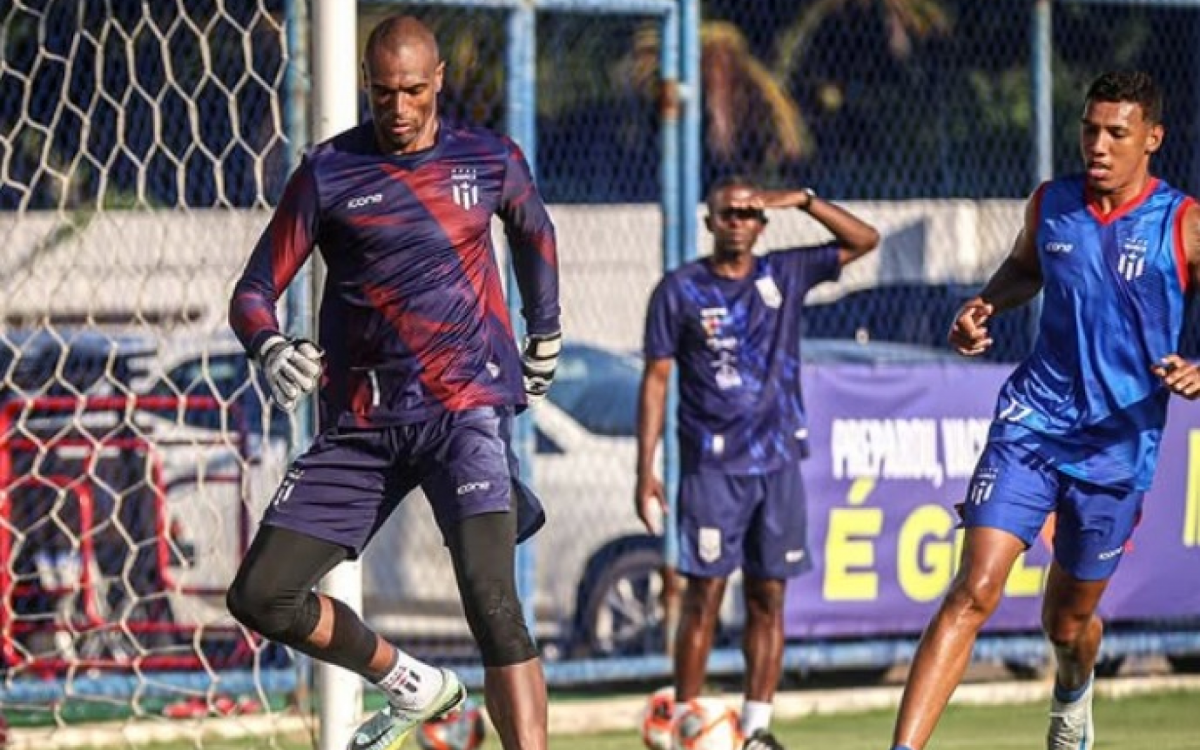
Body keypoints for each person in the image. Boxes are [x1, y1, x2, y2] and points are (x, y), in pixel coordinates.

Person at [224, 15, 560, 750]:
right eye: (383, 94)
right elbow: (252, 291)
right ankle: (408, 681)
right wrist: (268, 344)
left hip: (463, 411)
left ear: (438, 80)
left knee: (492, 597)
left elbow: (534, 231)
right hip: (362, 425)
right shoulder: (328, 172)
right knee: (260, 596)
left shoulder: (489, 158)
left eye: (413, 91)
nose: (400, 110)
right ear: (366, 87)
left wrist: (547, 328)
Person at [886, 70, 1200, 750]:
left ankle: (1072, 694)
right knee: (975, 588)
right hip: (1033, 421)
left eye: (1118, 132)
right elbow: (1028, 267)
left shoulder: (1183, 221)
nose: (1099, 144)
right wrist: (986, 305)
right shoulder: (1052, 204)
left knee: (1067, 623)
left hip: (1117, 446)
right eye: (1090, 128)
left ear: (1152, 138)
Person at [636, 177, 880, 750]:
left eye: (749, 213)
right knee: (705, 596)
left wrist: (804, 200)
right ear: (711, 221)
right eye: (729, 213)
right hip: (712, 468)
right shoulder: (680, 291)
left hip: (778, 464)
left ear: (763, 222)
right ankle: (687, 727)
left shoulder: (783, 274)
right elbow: (656, 381)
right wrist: (645, 467)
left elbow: (865, 239)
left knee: (769, 597)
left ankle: (755, 730)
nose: (739, 222)